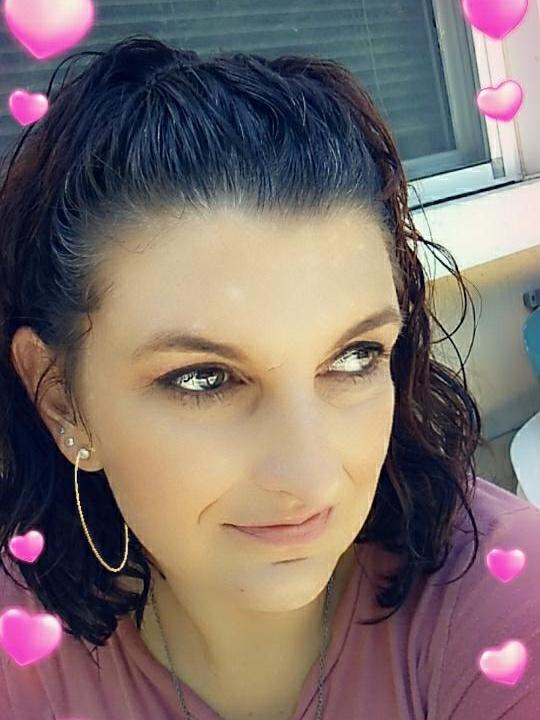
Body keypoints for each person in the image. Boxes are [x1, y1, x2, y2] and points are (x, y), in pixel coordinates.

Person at [0, 35, 538, 720]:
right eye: (204, 379)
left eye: (355, 357)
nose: (310, 477)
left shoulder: (508, 609)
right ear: (62, 401)